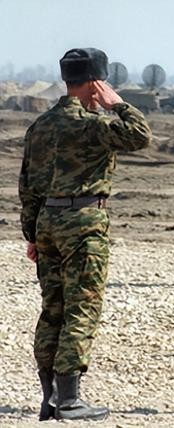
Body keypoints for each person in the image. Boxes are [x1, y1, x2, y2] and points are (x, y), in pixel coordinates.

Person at [19, 48, 152, 421]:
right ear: (96, 83)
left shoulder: (40, 126)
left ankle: (49, 397)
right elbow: (140, 135)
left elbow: (27, 185)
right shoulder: (93, 126)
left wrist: (33, 233)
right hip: (84, 223)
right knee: (82, 308)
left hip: (47, 222)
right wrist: (118, 104)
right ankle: (70, 400)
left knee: (53, 308)